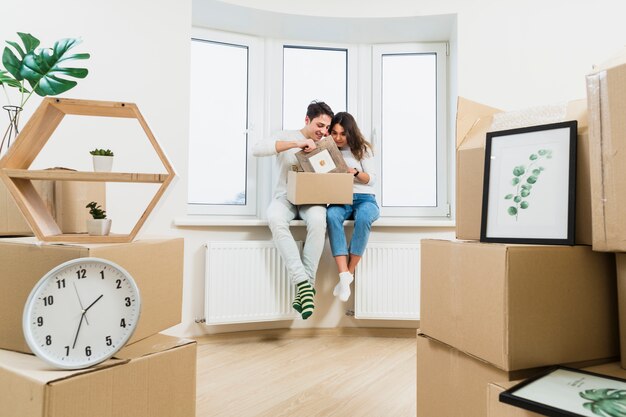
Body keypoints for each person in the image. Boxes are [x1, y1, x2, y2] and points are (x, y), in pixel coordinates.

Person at [252, 101, 334, 319]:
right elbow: (257, 149)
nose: (323, 131)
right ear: (307, 120)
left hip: (312, 200)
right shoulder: (286, 135)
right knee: (275, 218)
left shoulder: (325, 144)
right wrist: (296, 144)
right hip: (285, 198)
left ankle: (305, 287)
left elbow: (332, 178)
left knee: (319, 221)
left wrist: (320, 153)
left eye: (326, 127)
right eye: (319, 125)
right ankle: (303, 283)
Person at [326, 112, 379, 302]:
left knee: (364, 217)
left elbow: (371, 180)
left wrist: (354, 172)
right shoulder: (328, 150)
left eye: (342, 134)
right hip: (340, 199)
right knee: (331, 215)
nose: (338, 138)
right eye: (334, 133)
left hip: (365, 199)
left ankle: (348, 274)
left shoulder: (362, 149)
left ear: (350, 132)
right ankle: (343, 276)